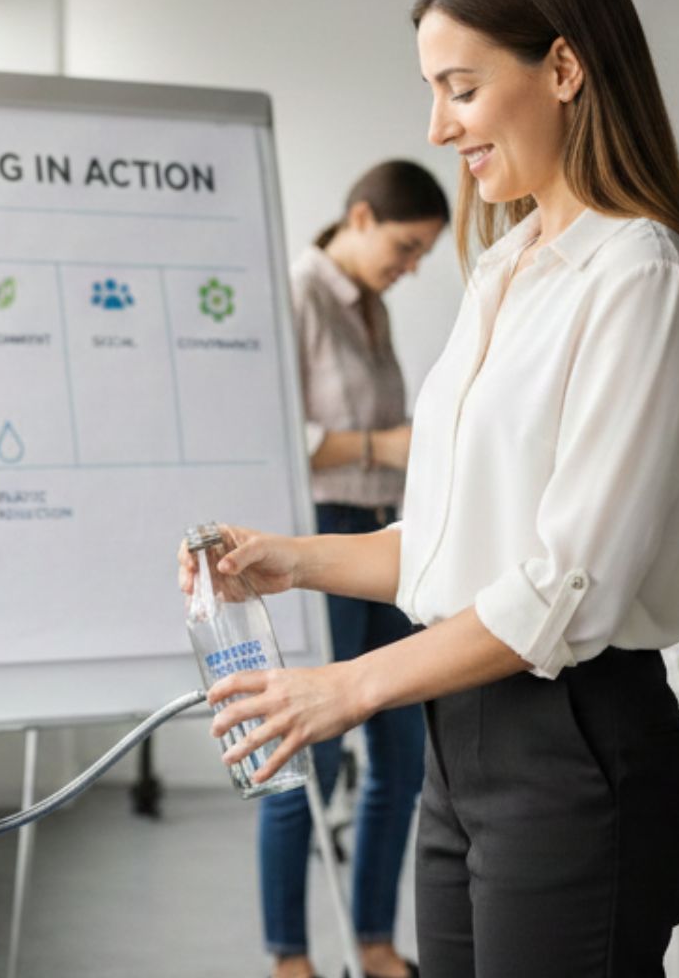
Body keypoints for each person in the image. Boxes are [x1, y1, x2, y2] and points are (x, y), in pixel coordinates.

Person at [179, 0, 679, 977]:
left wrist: (345, 687)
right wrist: (285, 556)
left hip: (572, 747)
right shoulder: (507, 268)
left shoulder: (643, 279)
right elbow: (449, 541)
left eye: (461, 88)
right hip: (460, 746)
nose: (438, 128)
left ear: (563, 68)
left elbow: (566, 584)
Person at [262, 160, 448, 978]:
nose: (409, 269)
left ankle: (374, 944)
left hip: (389, 538)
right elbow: (283, 437)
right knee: (312, 759)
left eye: (421, 259)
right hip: (324, 533)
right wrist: (388, 445)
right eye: (405, 248)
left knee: (402, 760)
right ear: (362, 217)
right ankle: (291, 958)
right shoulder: (296, 292)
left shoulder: (371, 306)